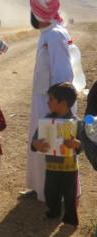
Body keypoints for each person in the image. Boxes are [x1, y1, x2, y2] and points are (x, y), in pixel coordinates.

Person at [26, 0, 74, 202]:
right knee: (41, 143)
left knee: (55, 147)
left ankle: (56, 196)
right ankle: (39, 189)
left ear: (37, 13)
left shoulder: (55, 35)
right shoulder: (47, 34)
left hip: (54, 104)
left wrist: (57, 108)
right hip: (43, 101)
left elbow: (64, 75)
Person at [31, 83, 82, 226]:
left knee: (70, 195)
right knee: (50, 192)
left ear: (63, 103)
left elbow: (82, 145)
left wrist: (76, 144)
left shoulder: (76, 123)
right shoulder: (46, 120)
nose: (48, 102)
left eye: (51, 99)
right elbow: (35, 140)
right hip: (52, 167)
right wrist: (36, 144)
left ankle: (71, 217)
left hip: (69, 169)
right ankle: (54, 211)